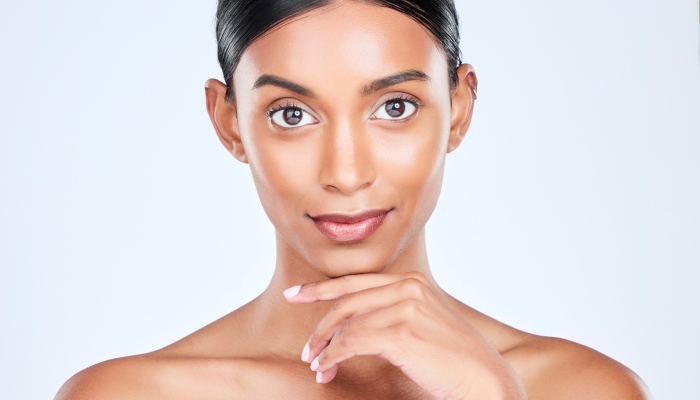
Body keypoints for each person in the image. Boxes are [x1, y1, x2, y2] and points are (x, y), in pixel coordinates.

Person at [55, 1, 652, 398]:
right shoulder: (131, 396)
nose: (346, 173)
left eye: (395, 107)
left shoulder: (581, 389)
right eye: (292, 115)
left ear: (458, 111)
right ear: (229, 124)